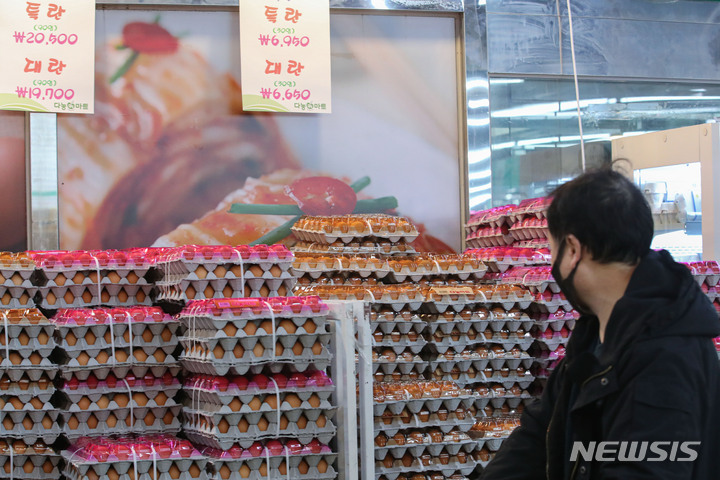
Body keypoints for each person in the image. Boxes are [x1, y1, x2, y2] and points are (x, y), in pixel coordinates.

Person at [479, 168, 720, 480]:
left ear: (573, 250)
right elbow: (537, 435)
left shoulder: (665, 356)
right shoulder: (594, 332)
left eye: (552, 248)